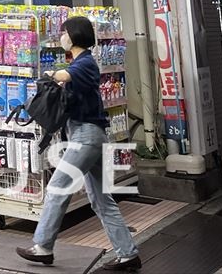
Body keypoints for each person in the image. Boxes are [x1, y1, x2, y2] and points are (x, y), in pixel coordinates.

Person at [16, 16, 141, 271]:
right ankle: (128, 254)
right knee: (101, 201)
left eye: (64, 32)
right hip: (89, 137)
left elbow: (64, 74)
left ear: (74, 36)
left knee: (57, 187)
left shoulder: (85, 63)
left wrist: (49, 74)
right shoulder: (81, 63)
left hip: (86, 138)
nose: (61, 36)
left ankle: (43, 246)